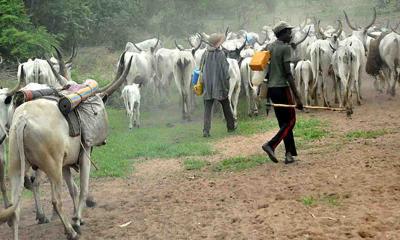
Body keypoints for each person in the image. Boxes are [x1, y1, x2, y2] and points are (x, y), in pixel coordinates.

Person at [261, 21, 304, 164]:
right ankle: (271, 145)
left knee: (283, 123)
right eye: (288, 32)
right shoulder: (286, 49)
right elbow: (288, 74)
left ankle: (289, 154)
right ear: (282, 33)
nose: (290, 35)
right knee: (291, 120)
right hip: (282, 88)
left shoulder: (269, 46)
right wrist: (297, 98)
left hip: (272, 90)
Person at [201, 33, 236, 137]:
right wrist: (227, 84)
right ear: (217, 43)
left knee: (207, 109)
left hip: (208, 86)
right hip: (219, 86)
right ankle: (231, 127)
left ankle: (206, 131)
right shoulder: (220, 54)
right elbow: (226, 71)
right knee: (226, 106)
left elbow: (201, 68)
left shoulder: (205, 53)